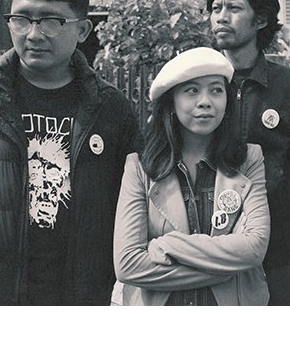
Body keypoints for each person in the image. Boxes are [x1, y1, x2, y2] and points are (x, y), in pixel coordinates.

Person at [0, 0, 141, 305]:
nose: (33, 34)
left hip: (79, 294)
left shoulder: (110, 109)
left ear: (83, 30)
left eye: (51, 22)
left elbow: (132, 205)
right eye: (21, 19)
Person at [113, 47, 270, 306]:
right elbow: (128, 265)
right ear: (171, 102)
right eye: (192, 91)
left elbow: (254, 247)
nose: (205, 101)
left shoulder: (248, 160)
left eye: (216, 90)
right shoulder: (139, 167)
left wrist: (168, 245)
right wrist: (225, 269)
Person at [208, 0, 290, 305]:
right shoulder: (198, 81)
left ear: (260, 20)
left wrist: (274, 189)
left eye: (233, 8)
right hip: (208, 240)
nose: (221, 17)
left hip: (275, 244)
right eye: (216, 8)